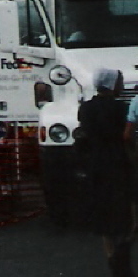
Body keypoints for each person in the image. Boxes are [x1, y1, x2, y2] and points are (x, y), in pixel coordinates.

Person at [87, 68, 132, 275]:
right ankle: (122, 257)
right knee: (122, 210)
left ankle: (110, 255)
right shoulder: (120, 108)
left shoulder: (86, 108)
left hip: (96, 164)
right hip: (118, 162)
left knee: (103, 212)